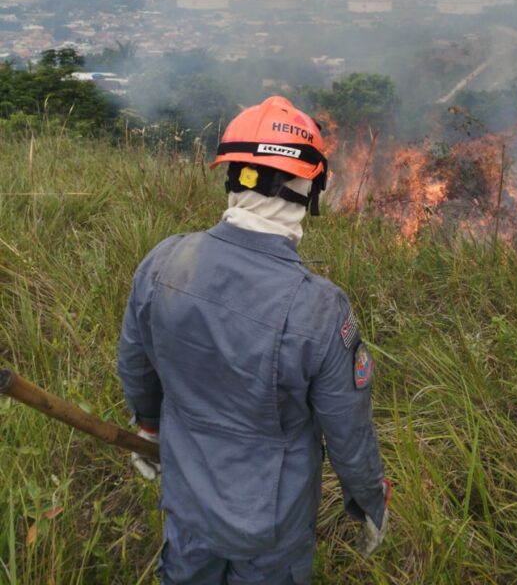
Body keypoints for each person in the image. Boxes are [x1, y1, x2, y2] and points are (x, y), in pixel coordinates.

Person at [118, 95, 389, 585]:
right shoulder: (320, 308)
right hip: (271, 528)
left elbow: (137, 367)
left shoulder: (164, 262)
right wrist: (369, 501)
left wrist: (148, 427)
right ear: (311, 187)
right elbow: (347, 431)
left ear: (232, 174)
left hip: (187, 504)